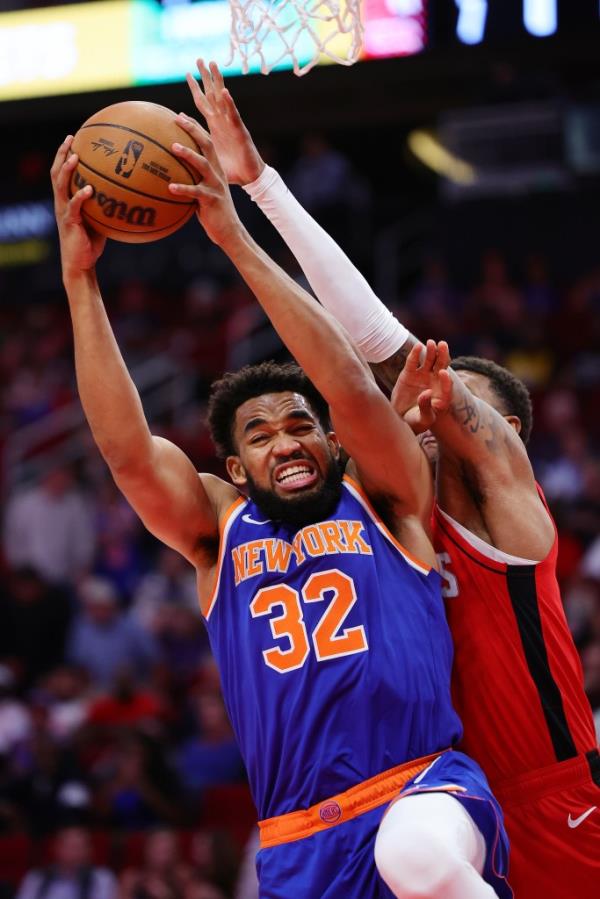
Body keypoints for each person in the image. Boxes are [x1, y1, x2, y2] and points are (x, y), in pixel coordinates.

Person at [51, 124, 511, 898]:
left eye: (301, 425)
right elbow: (128, 452)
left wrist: (233, 237)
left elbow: (355, 387)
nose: (286, 442)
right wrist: (79, 282)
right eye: (261, 436)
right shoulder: (218, 532)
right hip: (299, 839)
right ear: (233, 468)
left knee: (419, 862)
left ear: (333, 442)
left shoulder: (385, 495)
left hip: (422, 788)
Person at [185, 60, 600, 897]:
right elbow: (350, 381)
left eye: (457, 408)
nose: (432, 405)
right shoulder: (378, 525)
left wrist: (260, 190)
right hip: (435, 800)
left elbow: (374, 340)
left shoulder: (515, 521)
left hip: (556, 798)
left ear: (505, 435)